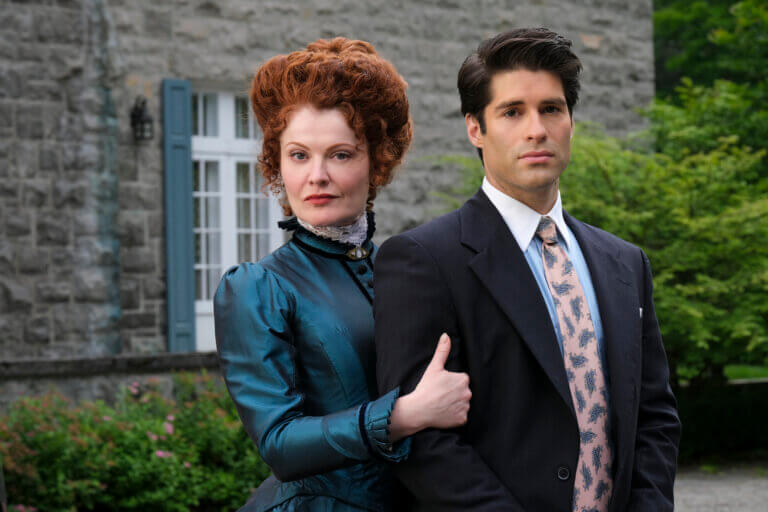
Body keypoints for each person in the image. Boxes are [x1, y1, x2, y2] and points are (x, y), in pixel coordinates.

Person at [375, 28, 682, 511]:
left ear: (571, 122)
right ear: (475, 128)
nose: (536, 129)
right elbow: (422, 441)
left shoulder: (625, 262)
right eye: (512, 111)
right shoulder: (424, 260)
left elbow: (654, 414)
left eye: (551, 109)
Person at [214, 37, 471, 512]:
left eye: (340, 154)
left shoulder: (408, 268)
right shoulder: (257, 287)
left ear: (377, 161)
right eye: (298, 155)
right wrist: (404, 415)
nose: (316, 175)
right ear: (277, 164)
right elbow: (279, 444)